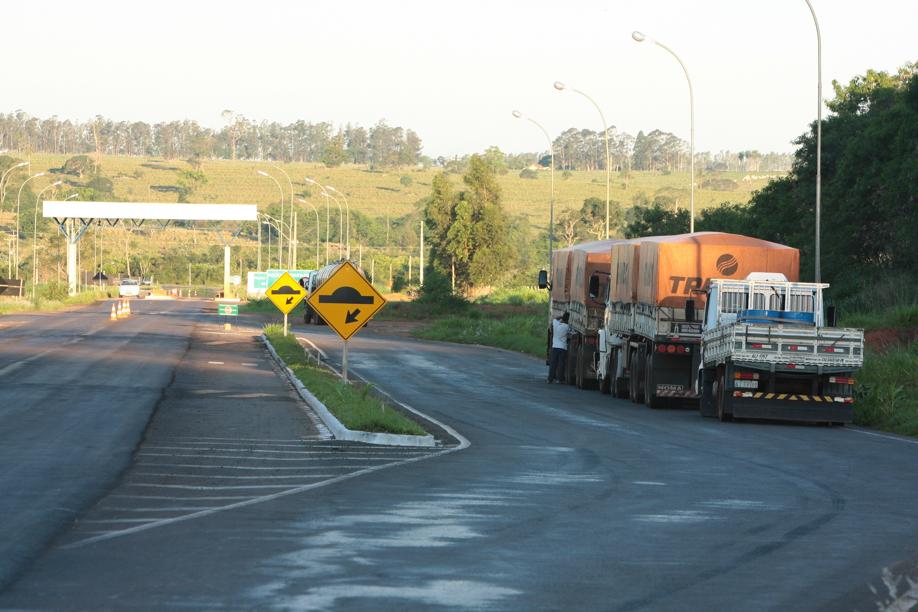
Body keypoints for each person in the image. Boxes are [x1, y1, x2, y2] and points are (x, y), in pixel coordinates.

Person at [548, 312, 570, 383]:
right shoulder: (567, 327)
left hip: (555, 347)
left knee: (553, 363)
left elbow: (554, 319)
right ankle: (560, 379)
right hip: (563, 348)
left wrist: (560, 317)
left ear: (562, 318)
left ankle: (550, 379)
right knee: (561, 364)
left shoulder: (556, 324)